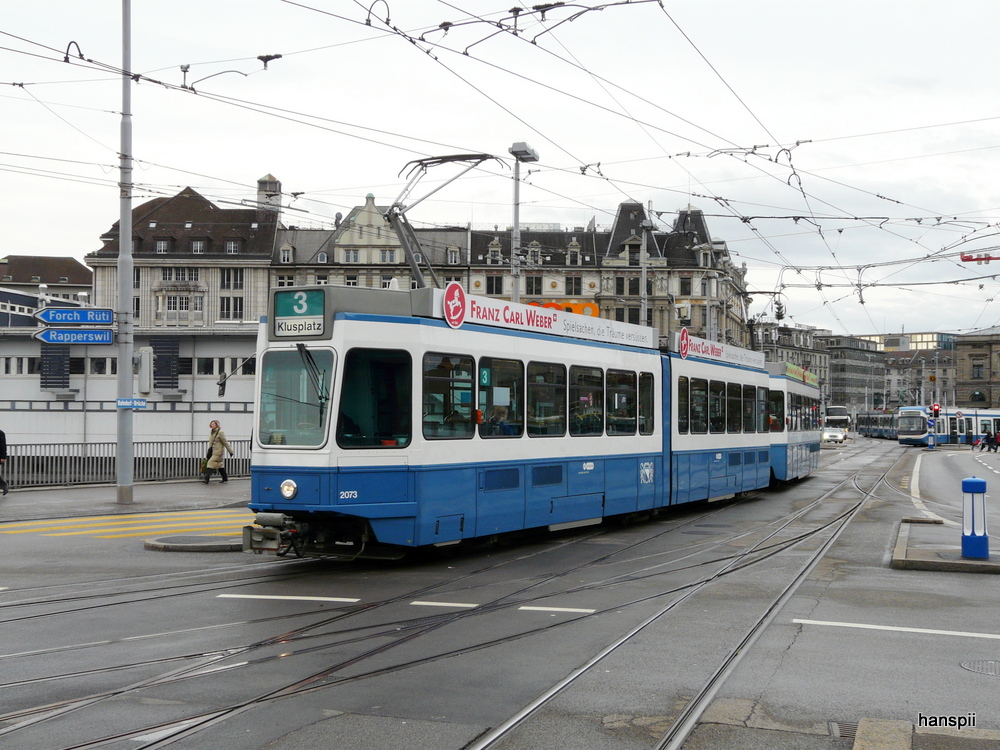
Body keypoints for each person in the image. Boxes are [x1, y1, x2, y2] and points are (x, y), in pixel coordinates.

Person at [203, 419, 234, 484]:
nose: (212, 425)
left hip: (218, 451)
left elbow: (225, 442)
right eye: (211, 424)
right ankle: (225, 478)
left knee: (210, 463)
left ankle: (206, 479)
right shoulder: (212, 432)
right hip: (213, 451)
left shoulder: (220, 432)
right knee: (219, 465)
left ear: (217, 425)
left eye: (213, 424)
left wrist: (230, 451)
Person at [0, 428, 8, 496]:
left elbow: (3, 446)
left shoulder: (0, 433)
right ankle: (3, 485)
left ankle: (3, 485)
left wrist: (3, 457)